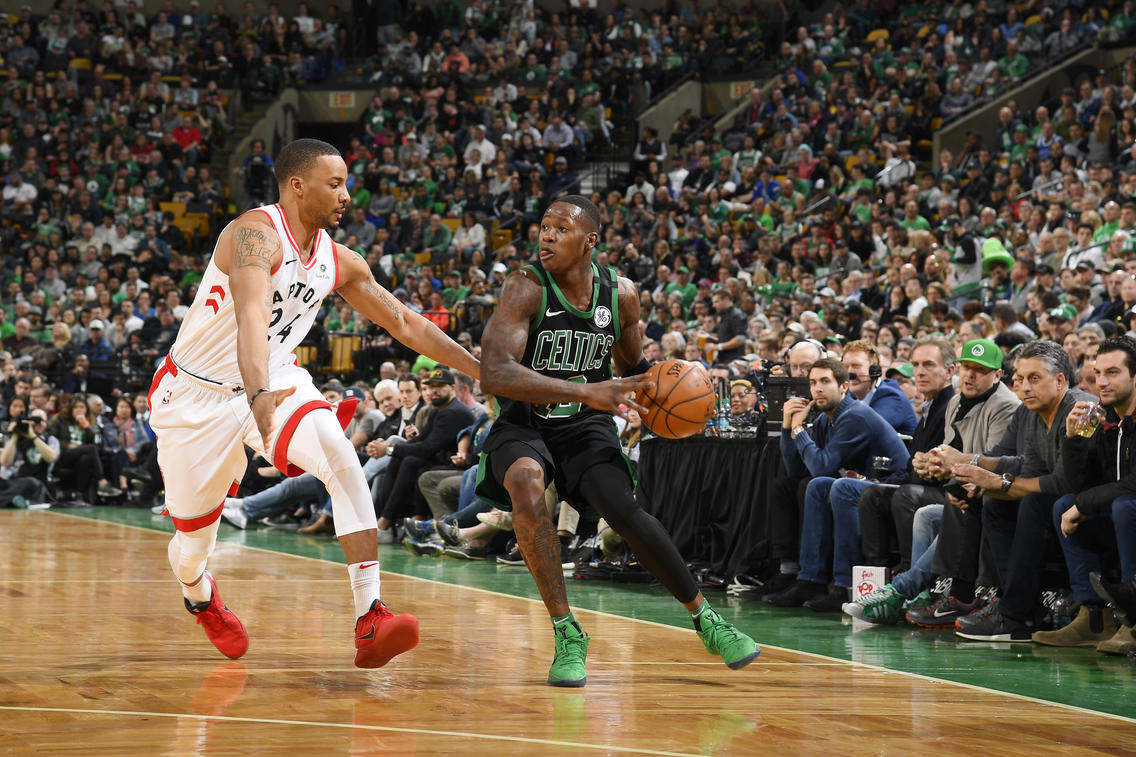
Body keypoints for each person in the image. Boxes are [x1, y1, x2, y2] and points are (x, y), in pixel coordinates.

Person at [149, 138, 479, 669]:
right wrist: (256, 391)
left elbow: (406, 323)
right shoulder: (254, 235)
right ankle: (199, 595)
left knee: (339, 455)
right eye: (336, 184)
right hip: (196, 396)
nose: (347, 195)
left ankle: (370, 615)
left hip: (276, 378)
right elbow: (252, 314)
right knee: (191, 548)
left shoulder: (338, 260)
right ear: (298, 186)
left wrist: (482, 371)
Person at [478, 195, 758, 687]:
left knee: (623, 509)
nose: (547, 236)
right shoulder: (525, 286)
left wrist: (677, 388)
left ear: (589, 240)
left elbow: (634, 367)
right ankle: (568, 633)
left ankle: (707, 619)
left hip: (585, 424)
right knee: (525, 480)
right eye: (543, 227)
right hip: (525, 422)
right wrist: (585, 389)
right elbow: (494, 373)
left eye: (560, 229)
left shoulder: (620, 294)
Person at [763, 358, 911, 611]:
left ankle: (844, 585)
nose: (817, 388)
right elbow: (797, 470)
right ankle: (810, 580)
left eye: (825, 381)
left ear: (844, 387)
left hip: (892, 489)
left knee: (838, 486)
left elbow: (821, 466)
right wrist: (788, 427)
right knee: (817, 485)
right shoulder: (825, 419)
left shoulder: (855, 416)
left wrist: (798, 429)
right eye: (813, 383)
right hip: (867, 485)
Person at [1048, 336, 1136, 654]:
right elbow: (1077, 486)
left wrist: (1082, 504)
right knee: (1063, 504)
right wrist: (1072, 439)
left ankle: (1133, 619)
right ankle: (1094, 618)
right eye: (1098, 373)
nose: (1102, 382)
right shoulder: (1104, 419)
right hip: (1122, 521)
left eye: (1112, 373)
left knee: (1125, 506)